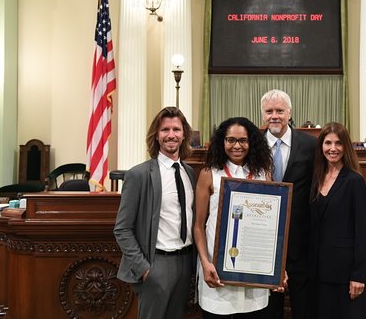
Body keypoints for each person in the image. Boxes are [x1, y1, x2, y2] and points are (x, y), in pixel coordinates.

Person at [114, 106, 196, 319]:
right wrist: (144, 268)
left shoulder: (189, 173)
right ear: (156, 136)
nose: (171, 135)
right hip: (156, 263)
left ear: (184, 133)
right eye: (165, 130)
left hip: (185, 261)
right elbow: (122, 228)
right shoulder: (139, 175)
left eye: (176, 129)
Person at [193, 117, 276, 318]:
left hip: (254, 272)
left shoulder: (262, 173)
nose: (236, 146)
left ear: (251, 143)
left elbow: (272, 226)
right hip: (217, 269)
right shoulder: (209, 174)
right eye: (230, 140)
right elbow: (198, 226)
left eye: (243, 140)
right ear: (222, 142)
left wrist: (275, 265)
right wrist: (205, 263)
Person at [260, 89, 316, 319]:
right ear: (262, 114)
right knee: (269, 310)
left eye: (280, 111)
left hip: (301, 243)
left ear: (289, 113)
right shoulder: (251, 145)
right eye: (269, 111)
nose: (275, 116)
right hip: (262, 242)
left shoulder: (311, 145)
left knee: (304, 309)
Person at [308, 122, 366, 319]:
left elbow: (361, 231)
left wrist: (357, 275)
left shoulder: (354, 181)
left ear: (346, 147)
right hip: (316, 273)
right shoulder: (315, 178)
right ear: (321, 146)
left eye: (338, 143)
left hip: (344, 275)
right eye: (327, 143)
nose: (333, 148)